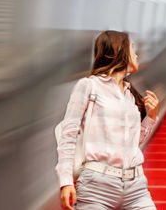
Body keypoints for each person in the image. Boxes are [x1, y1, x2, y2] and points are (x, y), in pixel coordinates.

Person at [55, 30, 159, 210]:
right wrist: (65, 181)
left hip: (136, 187)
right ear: (119, 50)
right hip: (97, 186)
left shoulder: (130, 96)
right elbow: (68, 135)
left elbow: (134, 143)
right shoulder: (88, 86)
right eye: (132, 49)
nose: (136, 54)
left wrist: (151, 116)